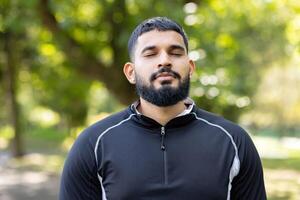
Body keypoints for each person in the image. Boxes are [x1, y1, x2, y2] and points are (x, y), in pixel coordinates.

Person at [59, 17, 267, 200]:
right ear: (130, 72)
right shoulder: (93, 144)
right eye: (150, 54)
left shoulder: (234, 141)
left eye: (175, 53)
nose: (165, 61)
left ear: (190, 67)